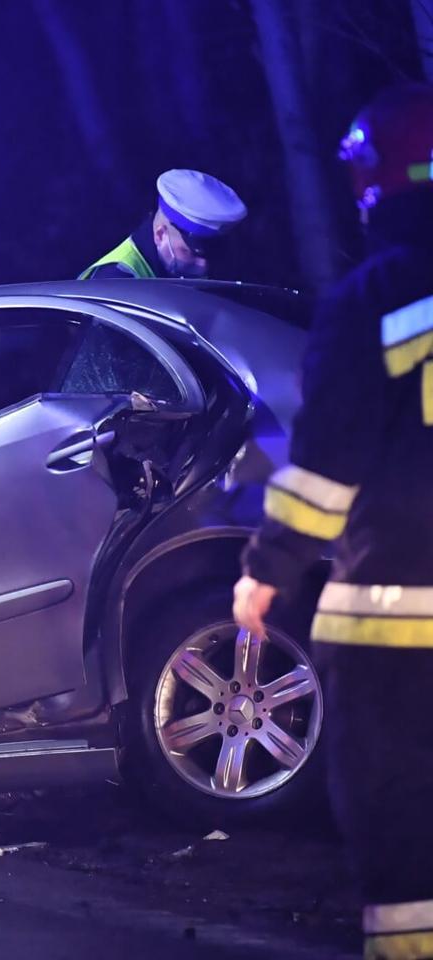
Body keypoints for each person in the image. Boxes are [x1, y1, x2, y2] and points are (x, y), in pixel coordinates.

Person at [233, 84, 433, 960]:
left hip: (393, 632)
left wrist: (266, 569)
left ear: (372, 188)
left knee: (402, 839)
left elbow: (322, 474)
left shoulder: (370, 302)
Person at [78, 169, 247, 279]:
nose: (204, 266)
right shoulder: (117, 278)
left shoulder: (170, 269)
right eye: (193, 252)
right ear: (160, 235)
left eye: (212, 253)